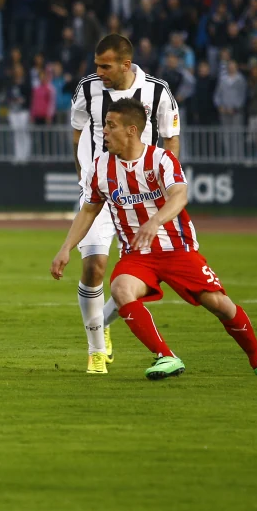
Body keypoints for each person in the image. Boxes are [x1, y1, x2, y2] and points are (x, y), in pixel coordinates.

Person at [51, 97, 257, 380]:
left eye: (111, 126)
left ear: (131, 130)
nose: (105, 132)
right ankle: (166, 356)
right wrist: (65, 249)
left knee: (219, 304)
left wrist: (155, 221)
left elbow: (180, 196)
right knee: (121, 289)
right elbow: (88, 211)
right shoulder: (100, 167)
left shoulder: (161, 159)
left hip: (177, 250)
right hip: (137, 256)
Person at [69, 34, 181, 374]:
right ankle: (96, 351)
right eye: (96, 65)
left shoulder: (157, 91)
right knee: (94, 267)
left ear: (125, 65)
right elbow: (76, 133)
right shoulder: (86, 90)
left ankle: (100, 324)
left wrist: (165, 185)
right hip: (101, 191)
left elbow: (171, 139)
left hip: (144, 200)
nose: (98, 71)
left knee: (134, 279)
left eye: (105, 66)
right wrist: (86, 175)